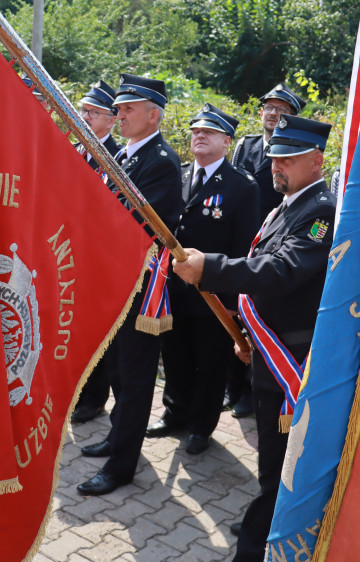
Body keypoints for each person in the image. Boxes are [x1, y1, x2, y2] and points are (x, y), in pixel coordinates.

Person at [173, 114, 334, 562]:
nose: (276, 165)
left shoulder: (321, 211)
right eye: (274, 156)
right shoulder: (287, 206)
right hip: (268, 347)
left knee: (281, 461)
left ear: (316, 161)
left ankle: (256, 545)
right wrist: (245, 328)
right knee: (272, 458)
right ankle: (266, 520)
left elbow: (283, 271)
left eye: (288, 158)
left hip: (292, 357)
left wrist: (211, 267)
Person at [77, 73, 183, 496]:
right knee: (119, 370)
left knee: (136, 378)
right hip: (114, 281)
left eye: (128, 109)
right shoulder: (125, 153)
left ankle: (122, 467)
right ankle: (119, 437)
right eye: (117, 108)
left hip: (140, 288)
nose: (119, 114)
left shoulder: (161, 161)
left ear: (153, 114)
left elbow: (134, 224)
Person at [147, 103, 260, 455]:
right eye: (196, 131)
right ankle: (174, 412)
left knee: (210, 363)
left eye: (208, 132)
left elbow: (244, 249)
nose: (199, 135)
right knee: (175, 354)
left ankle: (201, 426)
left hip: (213, 294)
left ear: (227, 141)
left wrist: (231, 301)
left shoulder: (242, 187)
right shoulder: (178, 175)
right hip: (173, 291)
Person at [226, 82, 306, 419]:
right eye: (269, 108)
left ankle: (249, 389)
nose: (273, 114)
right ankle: (233, 386)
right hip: (241, 242)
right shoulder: (245, 146)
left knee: (258, 316)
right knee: (234, 314)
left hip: (271, 245)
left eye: (282, 110)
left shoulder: (296, 154)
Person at [71, 79, 120, 424]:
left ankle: (94, 398)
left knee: (95, 329)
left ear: (111, 119)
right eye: (83, 110)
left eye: (93, 112)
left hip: (97, 258)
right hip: (67, 252)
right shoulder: (75, 148)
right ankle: (74, 390)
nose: (85, 116)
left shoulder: (117, 156)